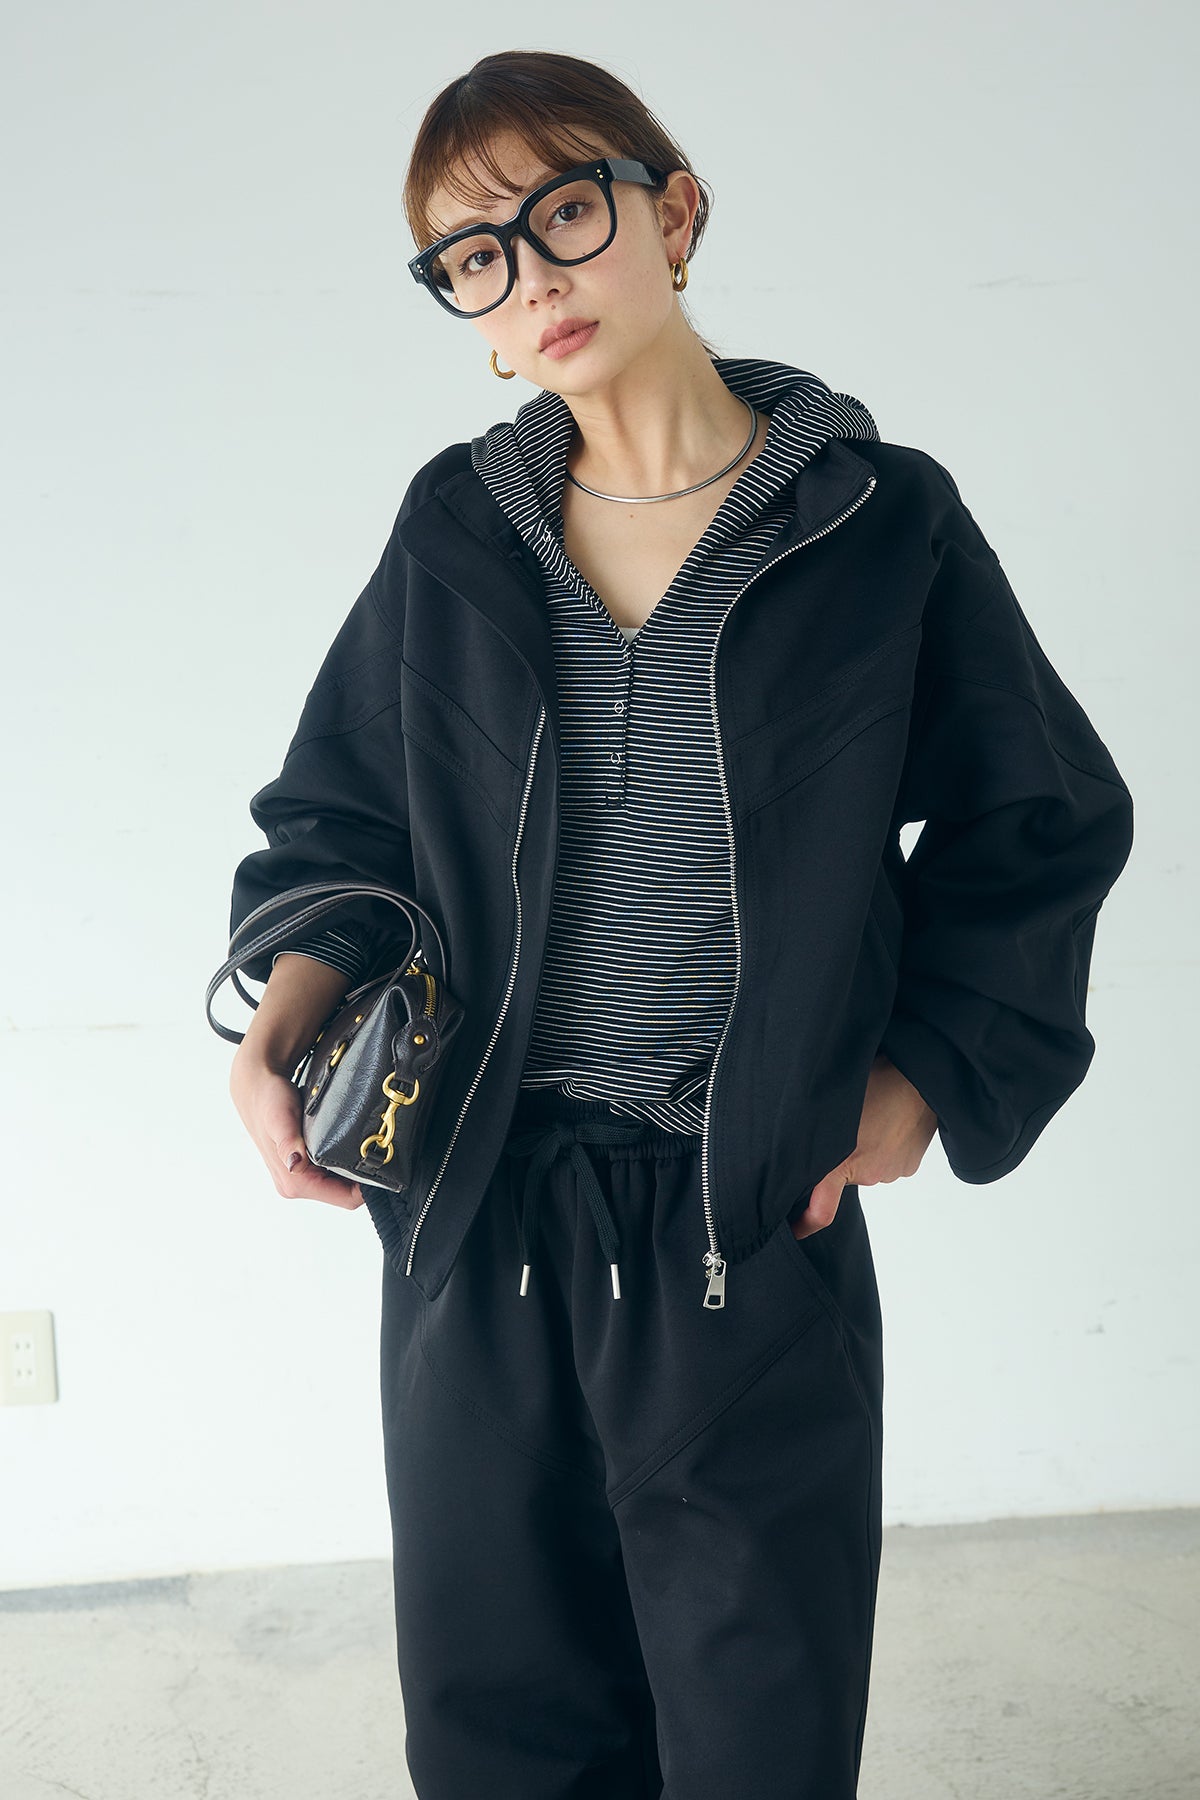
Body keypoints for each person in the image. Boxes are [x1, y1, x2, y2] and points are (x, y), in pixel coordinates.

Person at [223, 48, 1135, 1800]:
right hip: (474, 1215)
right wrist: (281, 1022)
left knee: (757, 1729)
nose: (531, 275)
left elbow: (1041, 821)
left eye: (564, 210)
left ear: (677, 211)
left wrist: (924, 1079)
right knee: (500, 1726)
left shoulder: (878, 522)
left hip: (744, 1224)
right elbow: (343, 817)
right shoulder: (457, 530)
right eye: (474, 255)